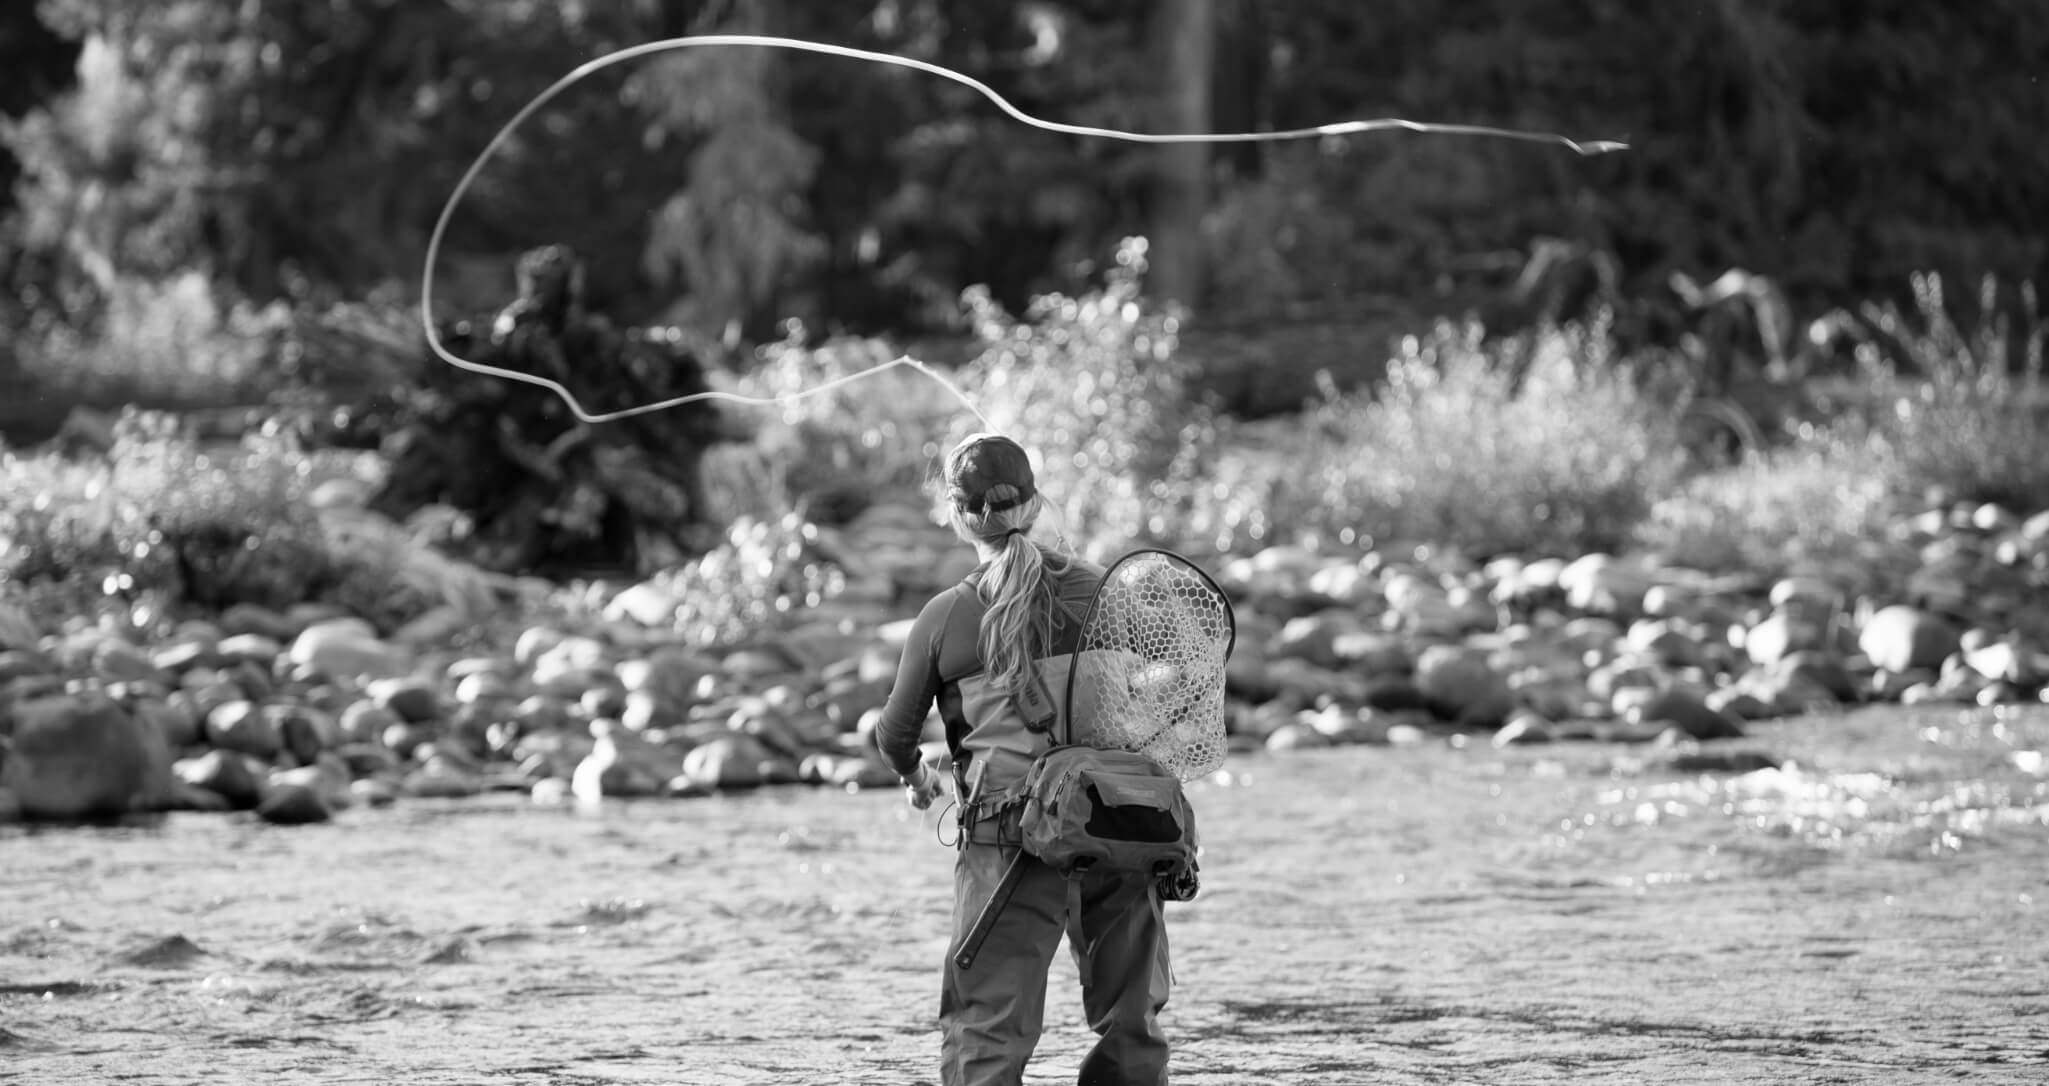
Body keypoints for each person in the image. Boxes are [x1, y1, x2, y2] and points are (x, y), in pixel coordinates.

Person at [874, 433, 1174, 1086]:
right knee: (1132, 1026)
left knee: (987, 1032)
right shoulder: (1105, 591)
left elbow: (894, 735)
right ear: (1034, 504)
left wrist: (915, 775)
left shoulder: (946, 614)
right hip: (1120, 827)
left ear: (958, 515)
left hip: (1010, 842)